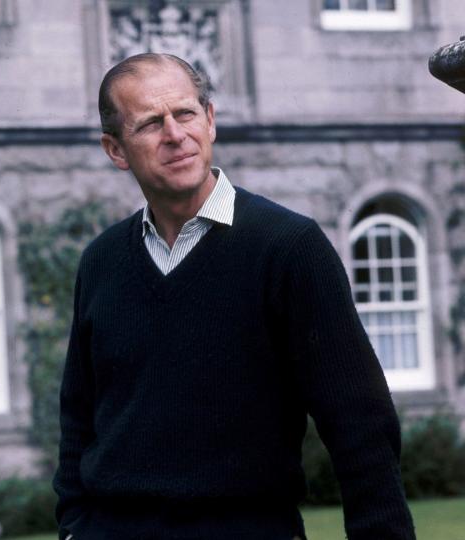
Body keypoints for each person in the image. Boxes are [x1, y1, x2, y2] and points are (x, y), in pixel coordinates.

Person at [53, 53, 415, 539]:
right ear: (115, 149)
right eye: (149, 124)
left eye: (185, 114)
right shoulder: (101, 260)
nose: (174, 134)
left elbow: (360, 425)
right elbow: (79, 420)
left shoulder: (288, 248)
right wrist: (76, 528)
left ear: (210, 120)